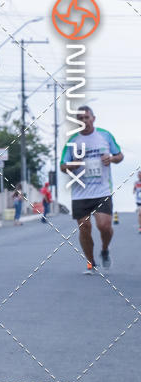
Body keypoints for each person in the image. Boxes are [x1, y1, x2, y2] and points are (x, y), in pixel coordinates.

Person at [60, 105, 123, 271]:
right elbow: (62, 166)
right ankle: (90, 261)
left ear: (93, 119)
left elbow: (119, 155)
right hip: (80, 193)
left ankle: (104, 249)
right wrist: (73, 165)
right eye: (80, 119)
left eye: (86, 117)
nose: (84, 121)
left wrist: (112, 159)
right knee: (84, 228)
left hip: (102, 191)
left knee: (104, 226)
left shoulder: (105, 135)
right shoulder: (72, 141)